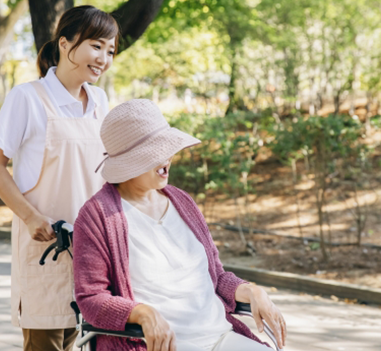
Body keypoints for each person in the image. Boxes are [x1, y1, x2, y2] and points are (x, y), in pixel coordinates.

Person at [73, 99, 287, 351]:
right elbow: (91, 298)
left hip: (220, 337)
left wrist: (251, 291)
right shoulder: (97, 215)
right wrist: (141, 313)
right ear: (130, 159)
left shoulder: (182, 201)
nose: (168, 157)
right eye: (156, 150)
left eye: (168, 148)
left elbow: (216, 277)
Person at [0, 6, 119, 351]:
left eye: (111, 50)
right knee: (46, 343)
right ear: (65, 42)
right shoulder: (27, 98)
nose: (104, 57)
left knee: (81, 339)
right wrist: (30, 217)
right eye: (97, 46)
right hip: (45, 245)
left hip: (91, 249)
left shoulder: (100, 100)